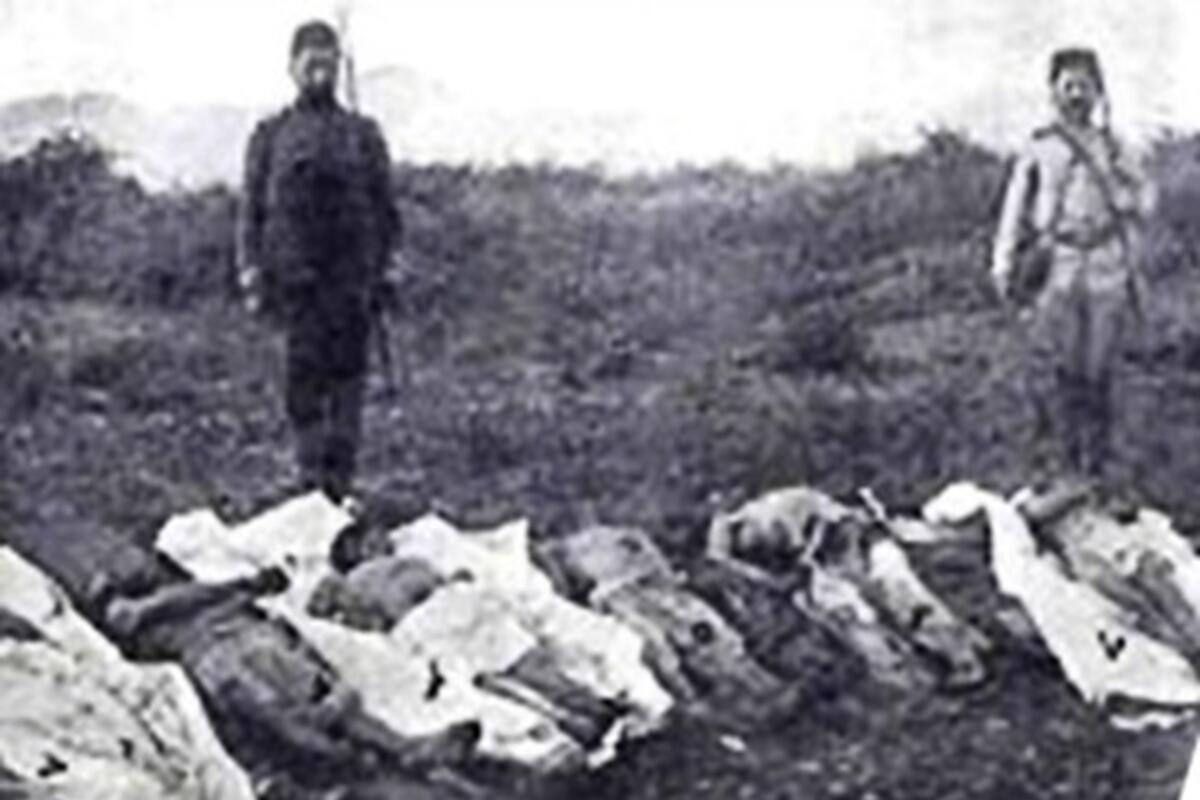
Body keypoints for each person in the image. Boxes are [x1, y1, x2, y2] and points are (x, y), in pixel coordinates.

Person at [237, 19, 399, 502]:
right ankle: (310, 482)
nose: (319, 72)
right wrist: (250, 271)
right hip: (296, 284)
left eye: (328, 62)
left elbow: (386, 209)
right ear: (292, 68)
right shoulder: (271, 135)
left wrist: (389, 268)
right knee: (303, 387)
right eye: (310, 63)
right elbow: (250, 209)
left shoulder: (362, 135)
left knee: (348, 386)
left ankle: (340, 483)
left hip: (351, 285)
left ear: (338, 67)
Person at [991, 47, 1153, 480]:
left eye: (1085, 86)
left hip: (1106, 265)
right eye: (1068, 86)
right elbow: (1013, 208)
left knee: (1099, 368)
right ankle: (1066, 465)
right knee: (1063, 367)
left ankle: (1096, 467)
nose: (1077, 95)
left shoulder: (1114, 146)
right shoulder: (1039, 146)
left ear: (1098, 92)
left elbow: (1147, 198)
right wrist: (1003, 263)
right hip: (1057, 265)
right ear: (1053, 92)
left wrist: (1126, 197)